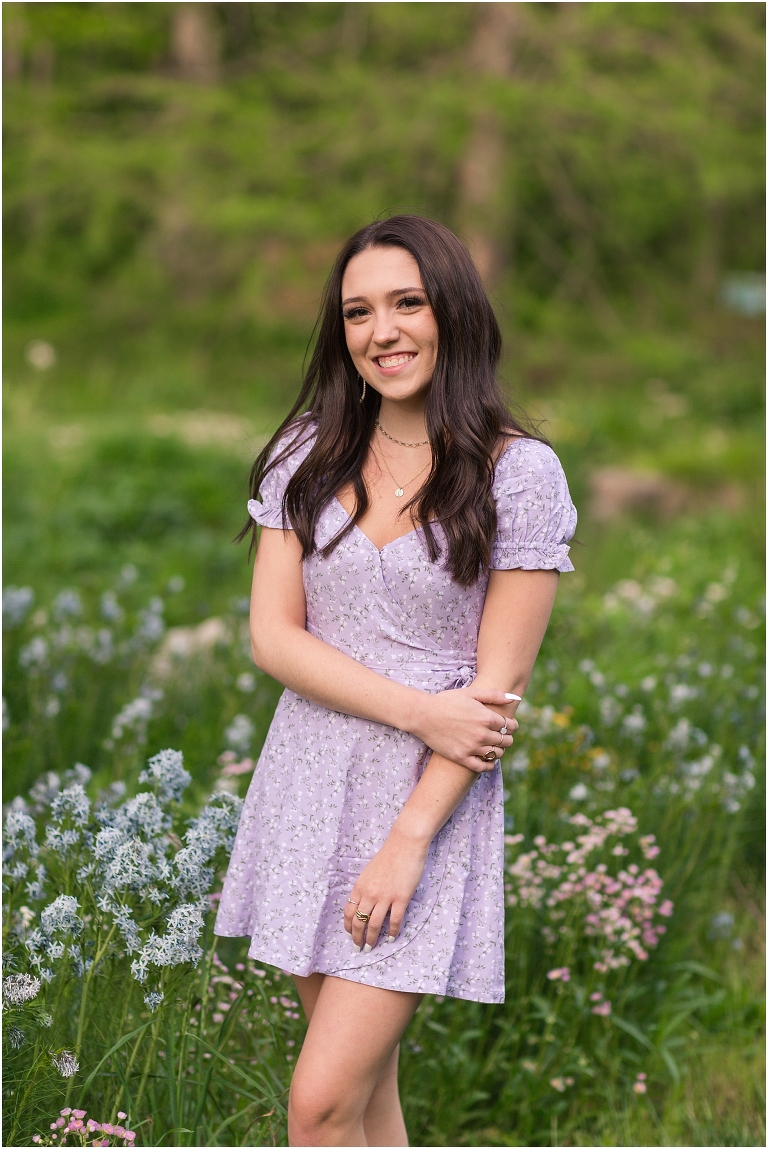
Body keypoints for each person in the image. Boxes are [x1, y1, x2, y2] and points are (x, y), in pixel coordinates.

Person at [215, 215, 577, 1146]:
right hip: (306, 784)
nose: (384, 331)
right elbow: (273, 638)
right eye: (358, 312)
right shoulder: (307, 449)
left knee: (321, 1103)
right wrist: (422, 708)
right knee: (365, 1104)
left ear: (452, 310)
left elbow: (494, 695)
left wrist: (409, 838)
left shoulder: (519, 473)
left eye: (407, 302)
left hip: (426, 808)